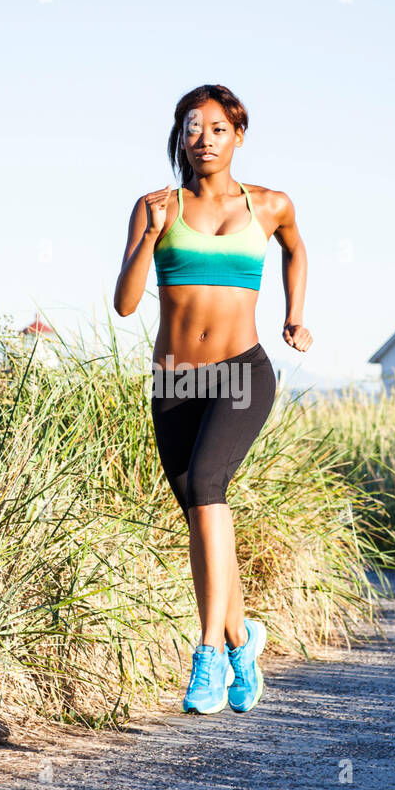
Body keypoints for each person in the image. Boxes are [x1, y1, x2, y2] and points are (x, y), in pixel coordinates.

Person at [114, 83, 312, 714]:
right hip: (173, 379)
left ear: (239, 135)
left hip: (241, 372)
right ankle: (242, 635)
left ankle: (208, 657)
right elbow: (123, 303)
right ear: (181, 137)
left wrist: (295, 315)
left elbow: (297, 248)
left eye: (218, 129)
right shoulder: (155, 206)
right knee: (202, 512)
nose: (204, 140)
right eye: (193, 129)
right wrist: (148, 237)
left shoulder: (271, 204)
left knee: (206, 484)